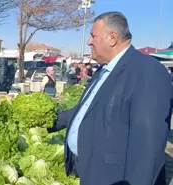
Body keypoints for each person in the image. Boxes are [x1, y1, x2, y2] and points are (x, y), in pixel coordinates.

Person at [50, 12, 172, 185]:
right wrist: (47, 119)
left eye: (93, 36)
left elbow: (148, 150)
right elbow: (84, 112)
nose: (89, 41)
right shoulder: (104, 70)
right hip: (91, 172)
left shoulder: (147, 71)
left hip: (113, 178)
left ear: (112, 38)